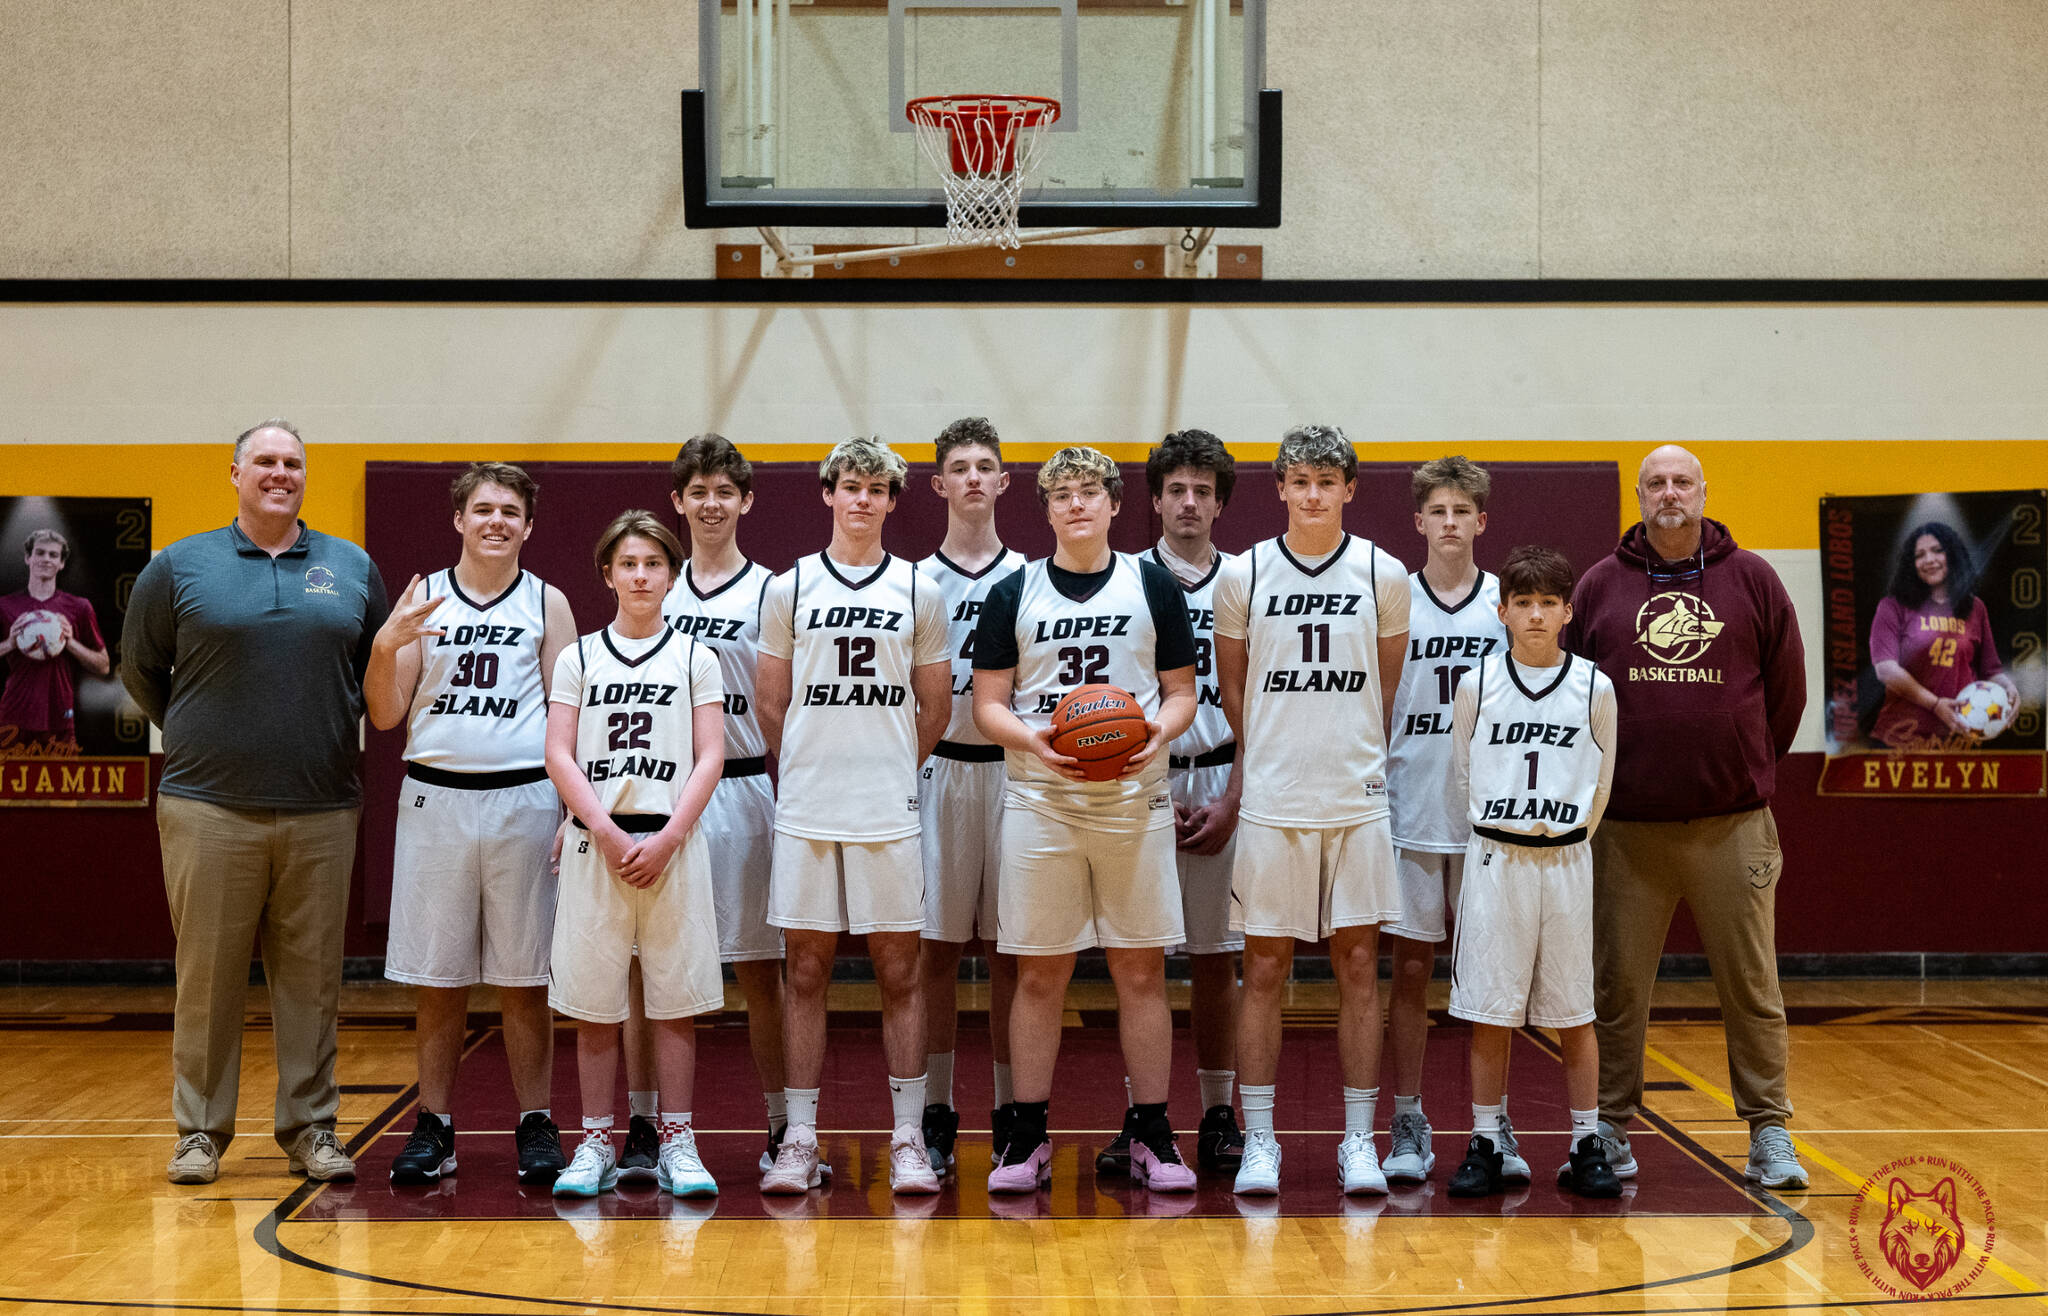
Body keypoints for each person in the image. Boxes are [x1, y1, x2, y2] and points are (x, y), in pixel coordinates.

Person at [121, 419, 391, 1186]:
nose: (280, 473)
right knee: (206, 977)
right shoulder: (179, 566)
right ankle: (200, 1132)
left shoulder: (349, 566)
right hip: (208, 808)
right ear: (234, 473)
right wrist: (209, 729)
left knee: (312, 980)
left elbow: (375, 674)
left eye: (293, 463)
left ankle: (311, 1130)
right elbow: (141, 669)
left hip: (323, 807)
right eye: (265, 461)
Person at [1561, 444, 1810, 1190]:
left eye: (1681, 482)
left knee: (1752, 986)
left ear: (1703, 492)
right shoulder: (1600, 585)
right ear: (1639, 497)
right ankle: (1611, 1128)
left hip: (1731, 826)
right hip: (1627, 830)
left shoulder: (1754, 578)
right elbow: (1575, 698)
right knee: (1616, 987)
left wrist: (1744, 763)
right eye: (1656, 483)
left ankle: (1769, 1132)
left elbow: (1786, 694)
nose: (1669, 493)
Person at [971, 445, 1202, 1195]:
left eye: (1090, 492)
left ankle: (1153, 1132)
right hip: (1042, 800)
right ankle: (1026, 1136)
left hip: (1132, 801)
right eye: (1061, 494)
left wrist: (1155, 735)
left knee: (1140, 968)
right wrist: (1034, 737)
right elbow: (988, 705)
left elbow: (1180, 693)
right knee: (1040, 973)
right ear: (1045, 511)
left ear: (1110, 505)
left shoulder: (1154, 584)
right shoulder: (1013, 592)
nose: (1076, 504)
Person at [362, 462, 576, 1185]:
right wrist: (386, 647)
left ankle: (536, 1122)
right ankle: (436, 1126)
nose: (496, 521)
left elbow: (567, 725)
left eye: (510, 511)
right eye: (483, 509)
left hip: (524, 799)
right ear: (459, 519)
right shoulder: (423, 598)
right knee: (439, 977)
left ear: (528, 525)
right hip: (436, 798)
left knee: (526, 980)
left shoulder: (549, 603)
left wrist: (572, 810)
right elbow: (387, 714)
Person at [1214, 424, 1409, 1198]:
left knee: (1360, 965)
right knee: (1263, 967)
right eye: (1299, 480)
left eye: (1327, 480)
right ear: (1281, 489)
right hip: (1273, 797)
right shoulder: (1246, 573)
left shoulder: (1382, 572)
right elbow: (1236, 693)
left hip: (1355, 798)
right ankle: (1259, 1139)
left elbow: (1383, 691)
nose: (1313, 493)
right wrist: (1271, 753)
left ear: (1350, 488)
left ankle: (1358, 1141)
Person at [756, 436, 952, 1196]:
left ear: (894, 501)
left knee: (898, 969)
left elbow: (933, 707)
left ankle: (907, 1138)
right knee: (804, 968)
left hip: (886, 804)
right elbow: (772, 703)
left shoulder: (917, 590)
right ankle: (800, 1138)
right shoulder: (790, 587)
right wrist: (813, 765)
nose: (863, 498)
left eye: (877, 487)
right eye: (850, 485)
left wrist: (883, 768)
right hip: (808, 803)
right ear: (828, 494)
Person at [543, 511, 727, 1199]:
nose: (641, 574)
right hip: (602, 842)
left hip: (673, 843)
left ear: (672, 574)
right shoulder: (579, 657)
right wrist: (607, 830)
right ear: (608, 574)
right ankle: (594, 1139)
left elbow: (711, 753)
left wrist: (672, 835)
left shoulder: (694, 657)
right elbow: (558, 751)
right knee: (595, 1005)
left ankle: (678, 1137)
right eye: (629, 563)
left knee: (673, 1003)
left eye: (653, 563)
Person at [624, 434, 790, 1183]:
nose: (712, 503)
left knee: (760, 970)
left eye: (725, 490)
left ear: (746, 501)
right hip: (661, 796)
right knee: (648, 970)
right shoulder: (657, 583)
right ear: (679, 502)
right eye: (699, 491)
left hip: (750, 786)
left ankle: (786, 1121)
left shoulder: (773, 591)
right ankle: (642, 1123)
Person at [1444, 545, 1620, 1199]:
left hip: (1567, 859)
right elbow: (1464, 774)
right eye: (1524, 603)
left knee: (1575, 1011)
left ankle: (1585, 1143)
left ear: (1570, 611)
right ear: (1503, 612)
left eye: (1549, 603)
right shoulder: (1478, 684)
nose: (1537, 615)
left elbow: (1600, 785)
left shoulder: (1595, 687)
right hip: (1496, 858)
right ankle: (1487, 1140)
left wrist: (1568, 837)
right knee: (1491, 1011)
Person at [1106, 428, 1244, 1177]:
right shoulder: (1123, 578)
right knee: (1141, 963)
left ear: (1219, 503)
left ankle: (1220, 1113)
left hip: (1225, 779)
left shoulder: (1249, 580)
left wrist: (1232, 797)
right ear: (1155, 499)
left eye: (1203, 491)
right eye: (1176, 490)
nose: (1189, 503)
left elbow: (1265, 701)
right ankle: (1142, 1116)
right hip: (1142, 781)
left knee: (1217, 960)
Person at [1381, 456, 1510, 1185]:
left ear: (1482, 522)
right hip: (1410, 807)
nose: (1452, 522)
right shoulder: (1393, 597)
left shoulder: (1506, 600)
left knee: (1491, 978)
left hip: (1489, 817)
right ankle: (1407, 1114)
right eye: (1440, 510)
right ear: (1420, 521)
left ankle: (1493, 1125)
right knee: (1409, 970)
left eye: (1465, 511)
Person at [914, 417, 1021, 1174]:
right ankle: (937, 1110)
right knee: (936, 954)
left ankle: (1016, 1110)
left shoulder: (1032, 577)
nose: (975, 477)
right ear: (940, 484)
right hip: (939, 769)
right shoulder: (915, 582)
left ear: (1004, 482)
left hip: (1018, 774)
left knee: (1016, 954)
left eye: (987, 465)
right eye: (961, 466)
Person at [1868, 521, 2017, 748]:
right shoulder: (1892, 606)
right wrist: (1935, 704)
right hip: (1902, 738)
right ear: (1911, 563)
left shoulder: (1975, 608)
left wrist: (2009, 688)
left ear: (1953, 555)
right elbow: (1886, 669)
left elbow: (1991, 669)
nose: (1929, 560)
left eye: (1938, 551)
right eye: (1920, 555)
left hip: (1961, 737)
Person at [0, 529, 110, 751]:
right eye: (40, 553)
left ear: (61, 564)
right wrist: (10, 643)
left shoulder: (79, 607)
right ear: (27, 558)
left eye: (53, 555)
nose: (46, 559)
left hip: (59, 717)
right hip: (14, 717)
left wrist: (70, 642)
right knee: (9, 787)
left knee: (62, 785)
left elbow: (103, 666)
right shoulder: (4, 605)